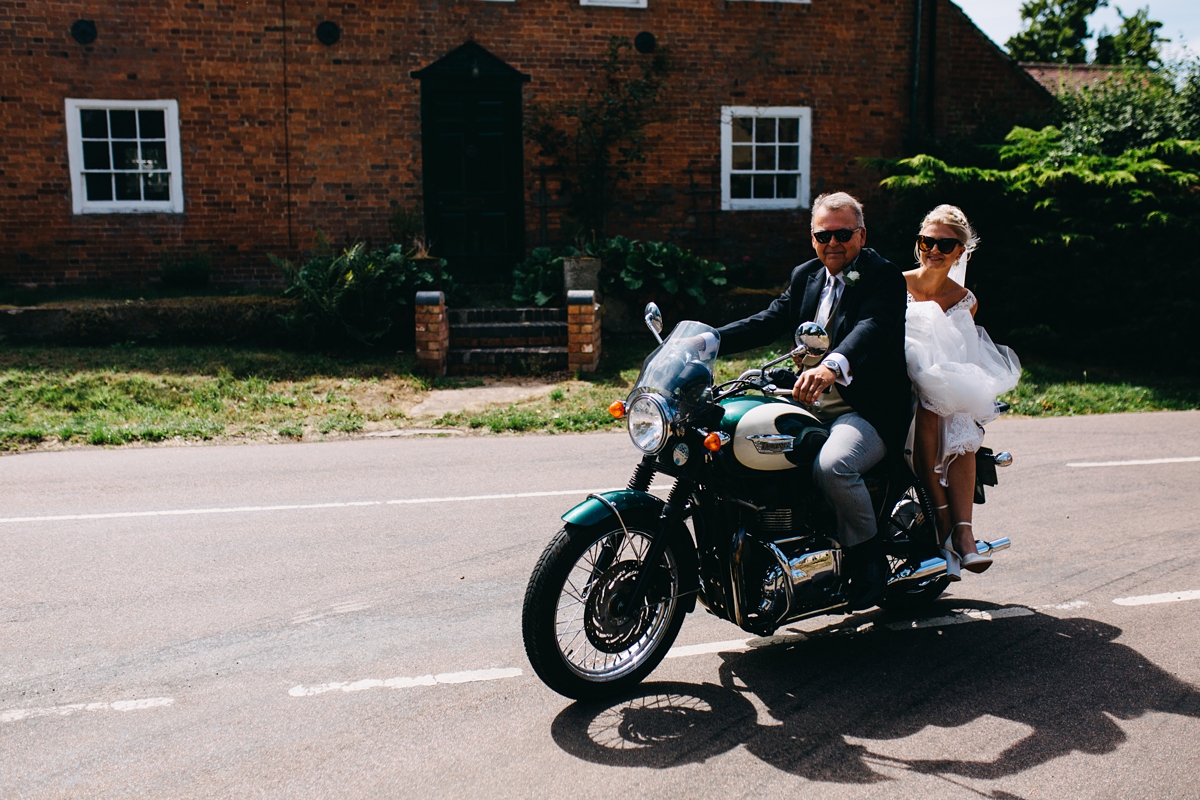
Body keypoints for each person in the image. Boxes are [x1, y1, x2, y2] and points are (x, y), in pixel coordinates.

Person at [716, 192, 912, 609]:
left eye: (843, 233)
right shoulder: (807, 274)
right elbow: (768, 320)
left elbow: (872, 328)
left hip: (864, 408)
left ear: (861, 235)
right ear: (813, 238)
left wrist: (832, 366)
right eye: (824, 235)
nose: (833, 243)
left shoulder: (883, 276)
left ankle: (868, 559)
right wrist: (709, 339)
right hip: (805, 400)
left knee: (833, 466)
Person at [903, 205, 1021, 579]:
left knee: (958, 421)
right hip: (899, 377)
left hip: (937, 383)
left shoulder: (964, 299)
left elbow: (961, 356)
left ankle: (963, 533)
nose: (934, 250)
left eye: (945, 244)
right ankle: (945, 527)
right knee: (933, 403)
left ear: (960, 252)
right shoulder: (896, 283)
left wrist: (943, 387)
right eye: (927, 241)